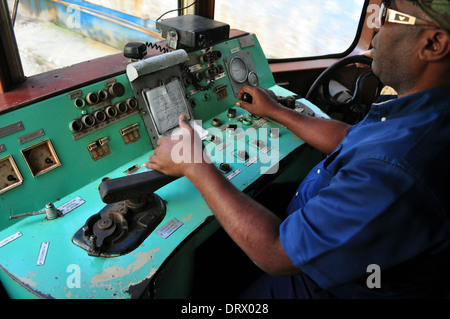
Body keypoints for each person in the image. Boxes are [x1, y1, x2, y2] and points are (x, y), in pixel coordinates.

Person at [144, 0, 450, 298]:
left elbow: (276, 253)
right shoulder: (424, 112)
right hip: (328, 229)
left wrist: (195, 165)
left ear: (434, 43)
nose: (376, 26)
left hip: (328, 285)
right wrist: (277, 110)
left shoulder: (398, 170)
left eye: (389, 14)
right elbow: (352, 138)